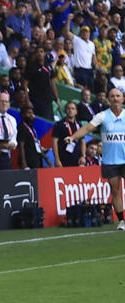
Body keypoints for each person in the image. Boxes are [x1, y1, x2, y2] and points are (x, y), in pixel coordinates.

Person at [64, 87, 125, 231]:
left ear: (123, 99)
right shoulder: (102, 116)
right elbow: (87, 129)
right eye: (112, 96)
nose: (115, 99)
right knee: (115, 191)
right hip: (110, 161)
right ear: (108, 100)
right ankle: (122, 220)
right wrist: (73, 137)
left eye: (118, 96)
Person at [52, 101, 85, 167]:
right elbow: (54, 142)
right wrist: (57, 159)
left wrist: (83, 156)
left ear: (76, 111)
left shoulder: (79, 125)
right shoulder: (59, 124)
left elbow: (82, 142)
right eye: (68, 108)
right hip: (63, 160)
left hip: (77, 160)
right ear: (65, 110)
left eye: (73, 109)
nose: (70, 110)